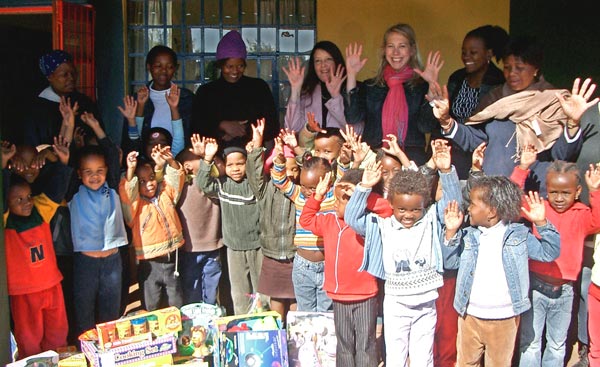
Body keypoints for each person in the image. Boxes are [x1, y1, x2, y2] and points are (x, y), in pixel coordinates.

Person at [429, 36, 599, 195]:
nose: (512, 74)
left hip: (533, 193)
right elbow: (475, 141)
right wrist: (446, 121)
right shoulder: (494, 99)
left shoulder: (554, 101)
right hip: (494, 192)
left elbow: (561, 155)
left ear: (535, 69)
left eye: (519, 68)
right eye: (507, 68)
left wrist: (573, 122)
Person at [344, 141, 462, 367]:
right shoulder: (383, 225)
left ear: (424, 205)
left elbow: (453, 204)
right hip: (396, 304)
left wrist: (446, 171)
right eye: (402, 209)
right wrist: (364, 187)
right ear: (391, 204)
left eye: (416, 209)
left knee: (422, 358)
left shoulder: (429, 221)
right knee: (396, 357)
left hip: (426, 305)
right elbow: (352, 219)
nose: (409, 215)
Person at [443, 177, 561, 366]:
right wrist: (450, 233)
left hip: (504, 319)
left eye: (472, 204)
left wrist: (542, 223)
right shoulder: (468, 236)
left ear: (491, 211)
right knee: (465, 362)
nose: (468, 209)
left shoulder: (519, 235)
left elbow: (549, 253)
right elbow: (449, 262)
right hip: (469, 316)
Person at [300, 167, 392, 366]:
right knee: (344, 344)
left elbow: (387, 209)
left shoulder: (367, 223)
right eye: (336, 198)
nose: (336, 203)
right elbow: (305, 220)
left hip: (365, 294)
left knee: (365, 344)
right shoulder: (329, 221)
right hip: (339, 295)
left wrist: (362, 192)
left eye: (343, 199)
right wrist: (318, 196)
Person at [512, 158, 600, 366]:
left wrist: (595, 191)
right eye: (553, 192)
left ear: (578, 192)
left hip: (565, 291)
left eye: (566, 192)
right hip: (535, 287)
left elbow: (597, 220)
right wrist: (522, 168)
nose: (559, 198)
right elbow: (512, 199)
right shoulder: (539, 208)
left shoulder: (582, 214)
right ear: (546, 190)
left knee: (557, 345)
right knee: (530, 343)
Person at [2, 137, 71, 357]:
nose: (26, 202)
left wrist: (62, 161)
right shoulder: (6, 222)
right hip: (24, 292)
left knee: (58, 331)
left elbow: (56, 190)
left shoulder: (40, 211)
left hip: (51, 284)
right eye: (18, 200)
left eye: (28, 197)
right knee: (29, 337)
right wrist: (3, 166)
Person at [344, 24, 442, 165]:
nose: (396, 52)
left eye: (402, 46)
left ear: (412, 50)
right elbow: (353, 117)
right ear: (384, 50)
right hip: (374, 159)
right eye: (391, 46)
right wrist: (351, 75)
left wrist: (432, 85)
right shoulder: (371, 86)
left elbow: (425, 126)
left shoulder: (421, 86)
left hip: (410, 160)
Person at [68, 117, 127, 336]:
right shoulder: (74, 191)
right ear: (79, 174)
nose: (95, 176)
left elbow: (111, 152)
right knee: (84, 309)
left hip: (112, 259)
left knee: (110, 313)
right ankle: (87, 354)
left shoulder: (109, 186)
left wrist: (96, 127)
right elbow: (67, 166)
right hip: (86, 263)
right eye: (88, 172)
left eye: (99, 170)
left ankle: (108, 353)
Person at [196, 134, 261, 315]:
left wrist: (255, 150)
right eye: (230, 165)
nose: (235, 169)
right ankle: (242, 323)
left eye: (240, 164)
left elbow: (259, 174)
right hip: (233, 247)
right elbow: (202, 183)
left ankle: (264, 323)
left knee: (261, 292)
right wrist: (207, 159)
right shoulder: (222, 185)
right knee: (239, 292)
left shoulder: (254, 186)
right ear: (224, 166)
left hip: (257, 246)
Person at [119, 144, 185, 311]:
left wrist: (170, 160)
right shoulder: (134, 206)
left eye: (151, 178)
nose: (149, 183)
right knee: (151, 305)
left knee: (176, 303)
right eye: (142, 181)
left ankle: (176, 336)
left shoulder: (165, 195)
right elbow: (127, 193)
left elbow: (176, 179)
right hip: (150, 264)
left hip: (172, 260)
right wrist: (130, 169)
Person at [246, 120, 297, 321]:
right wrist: (257, 146)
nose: (289, 174)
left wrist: (296, 149)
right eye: (283, 169)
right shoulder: (265, 190)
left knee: (295, 296)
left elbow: (310, 166)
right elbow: (254, 173)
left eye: (294, 170)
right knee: (277, 294)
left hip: (295, 254)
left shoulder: (300, 192)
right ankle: (278, 333)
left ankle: (295, 334)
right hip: (272, 253)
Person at [192, 31, 278, 147]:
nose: (235, 71)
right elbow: (196, 129)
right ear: (220, 66)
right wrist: (221, 126)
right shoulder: (206, 92)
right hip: (214, 156)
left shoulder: (258, 88)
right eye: (229, 66)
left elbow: (273, 127)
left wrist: (243, 132)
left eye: (240, 66)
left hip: (253, 154)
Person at [444, 25, 508, 179]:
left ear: (488, 54)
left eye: (473, 53)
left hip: (482, 156)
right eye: (464, 52)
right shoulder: (457, 78)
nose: (466, 57)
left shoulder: (498, 82)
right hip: (454, 153)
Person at [121, 45, 192, 156]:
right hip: (146, 165)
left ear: (175, 68)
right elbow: (132, 141)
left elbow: (190, 137)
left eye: (169, 67)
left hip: (178, 162)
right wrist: (140, 106)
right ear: (149, 67)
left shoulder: (187, 98)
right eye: (158, 66)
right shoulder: (137, 100)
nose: (163, 71)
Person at [175, 145, 223, 306]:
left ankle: (210, 314)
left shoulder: (211, 183)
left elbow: (219, 169)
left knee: (211, 286)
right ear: (187, 166)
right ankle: (194, 321)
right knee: (191, 288)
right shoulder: (179, 185)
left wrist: (207, 156)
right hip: (189, 249)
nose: (204, 159)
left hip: (212, 245)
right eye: (199, 158)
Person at [24, 50, 102, 147]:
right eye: (64, 75)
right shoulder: (37, 108)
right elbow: (32, 144)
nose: (71, 78)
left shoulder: (84, 102)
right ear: (50, 77)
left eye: (73, 73)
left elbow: (98, 136)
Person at [283, 41, 356, 133]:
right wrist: (295, 89)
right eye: (318, 61)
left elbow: (357, 131)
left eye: (328, 59)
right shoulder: (307, 91)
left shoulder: (352, 88)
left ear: (337, 61)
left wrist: (336, 97)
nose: (323, 65)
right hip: (313, 147)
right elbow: (291, 129)